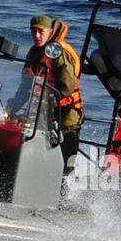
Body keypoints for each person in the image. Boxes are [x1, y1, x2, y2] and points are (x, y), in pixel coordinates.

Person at [24, 14, 83, 172]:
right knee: (34, 148)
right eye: (33, 31)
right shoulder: (33, 53)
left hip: (66, 113)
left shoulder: (59, 52)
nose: (36, 35)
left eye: (40, 32)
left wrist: (50, 99)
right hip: (44, 110)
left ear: (50, 32)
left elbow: (67, 86)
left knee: (65, 158)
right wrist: (12, 105)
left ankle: (64, 192)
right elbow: (25, 85)